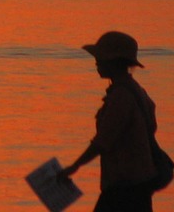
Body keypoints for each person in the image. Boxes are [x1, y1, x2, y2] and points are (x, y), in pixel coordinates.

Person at [57, 31, 161, 212]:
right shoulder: (136, 91)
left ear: (114, 62)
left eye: (100, 58)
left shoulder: (121, 96)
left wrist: (75, 166)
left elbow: (103, 141)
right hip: (139, 183)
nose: (96, 62)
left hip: (124, 186)